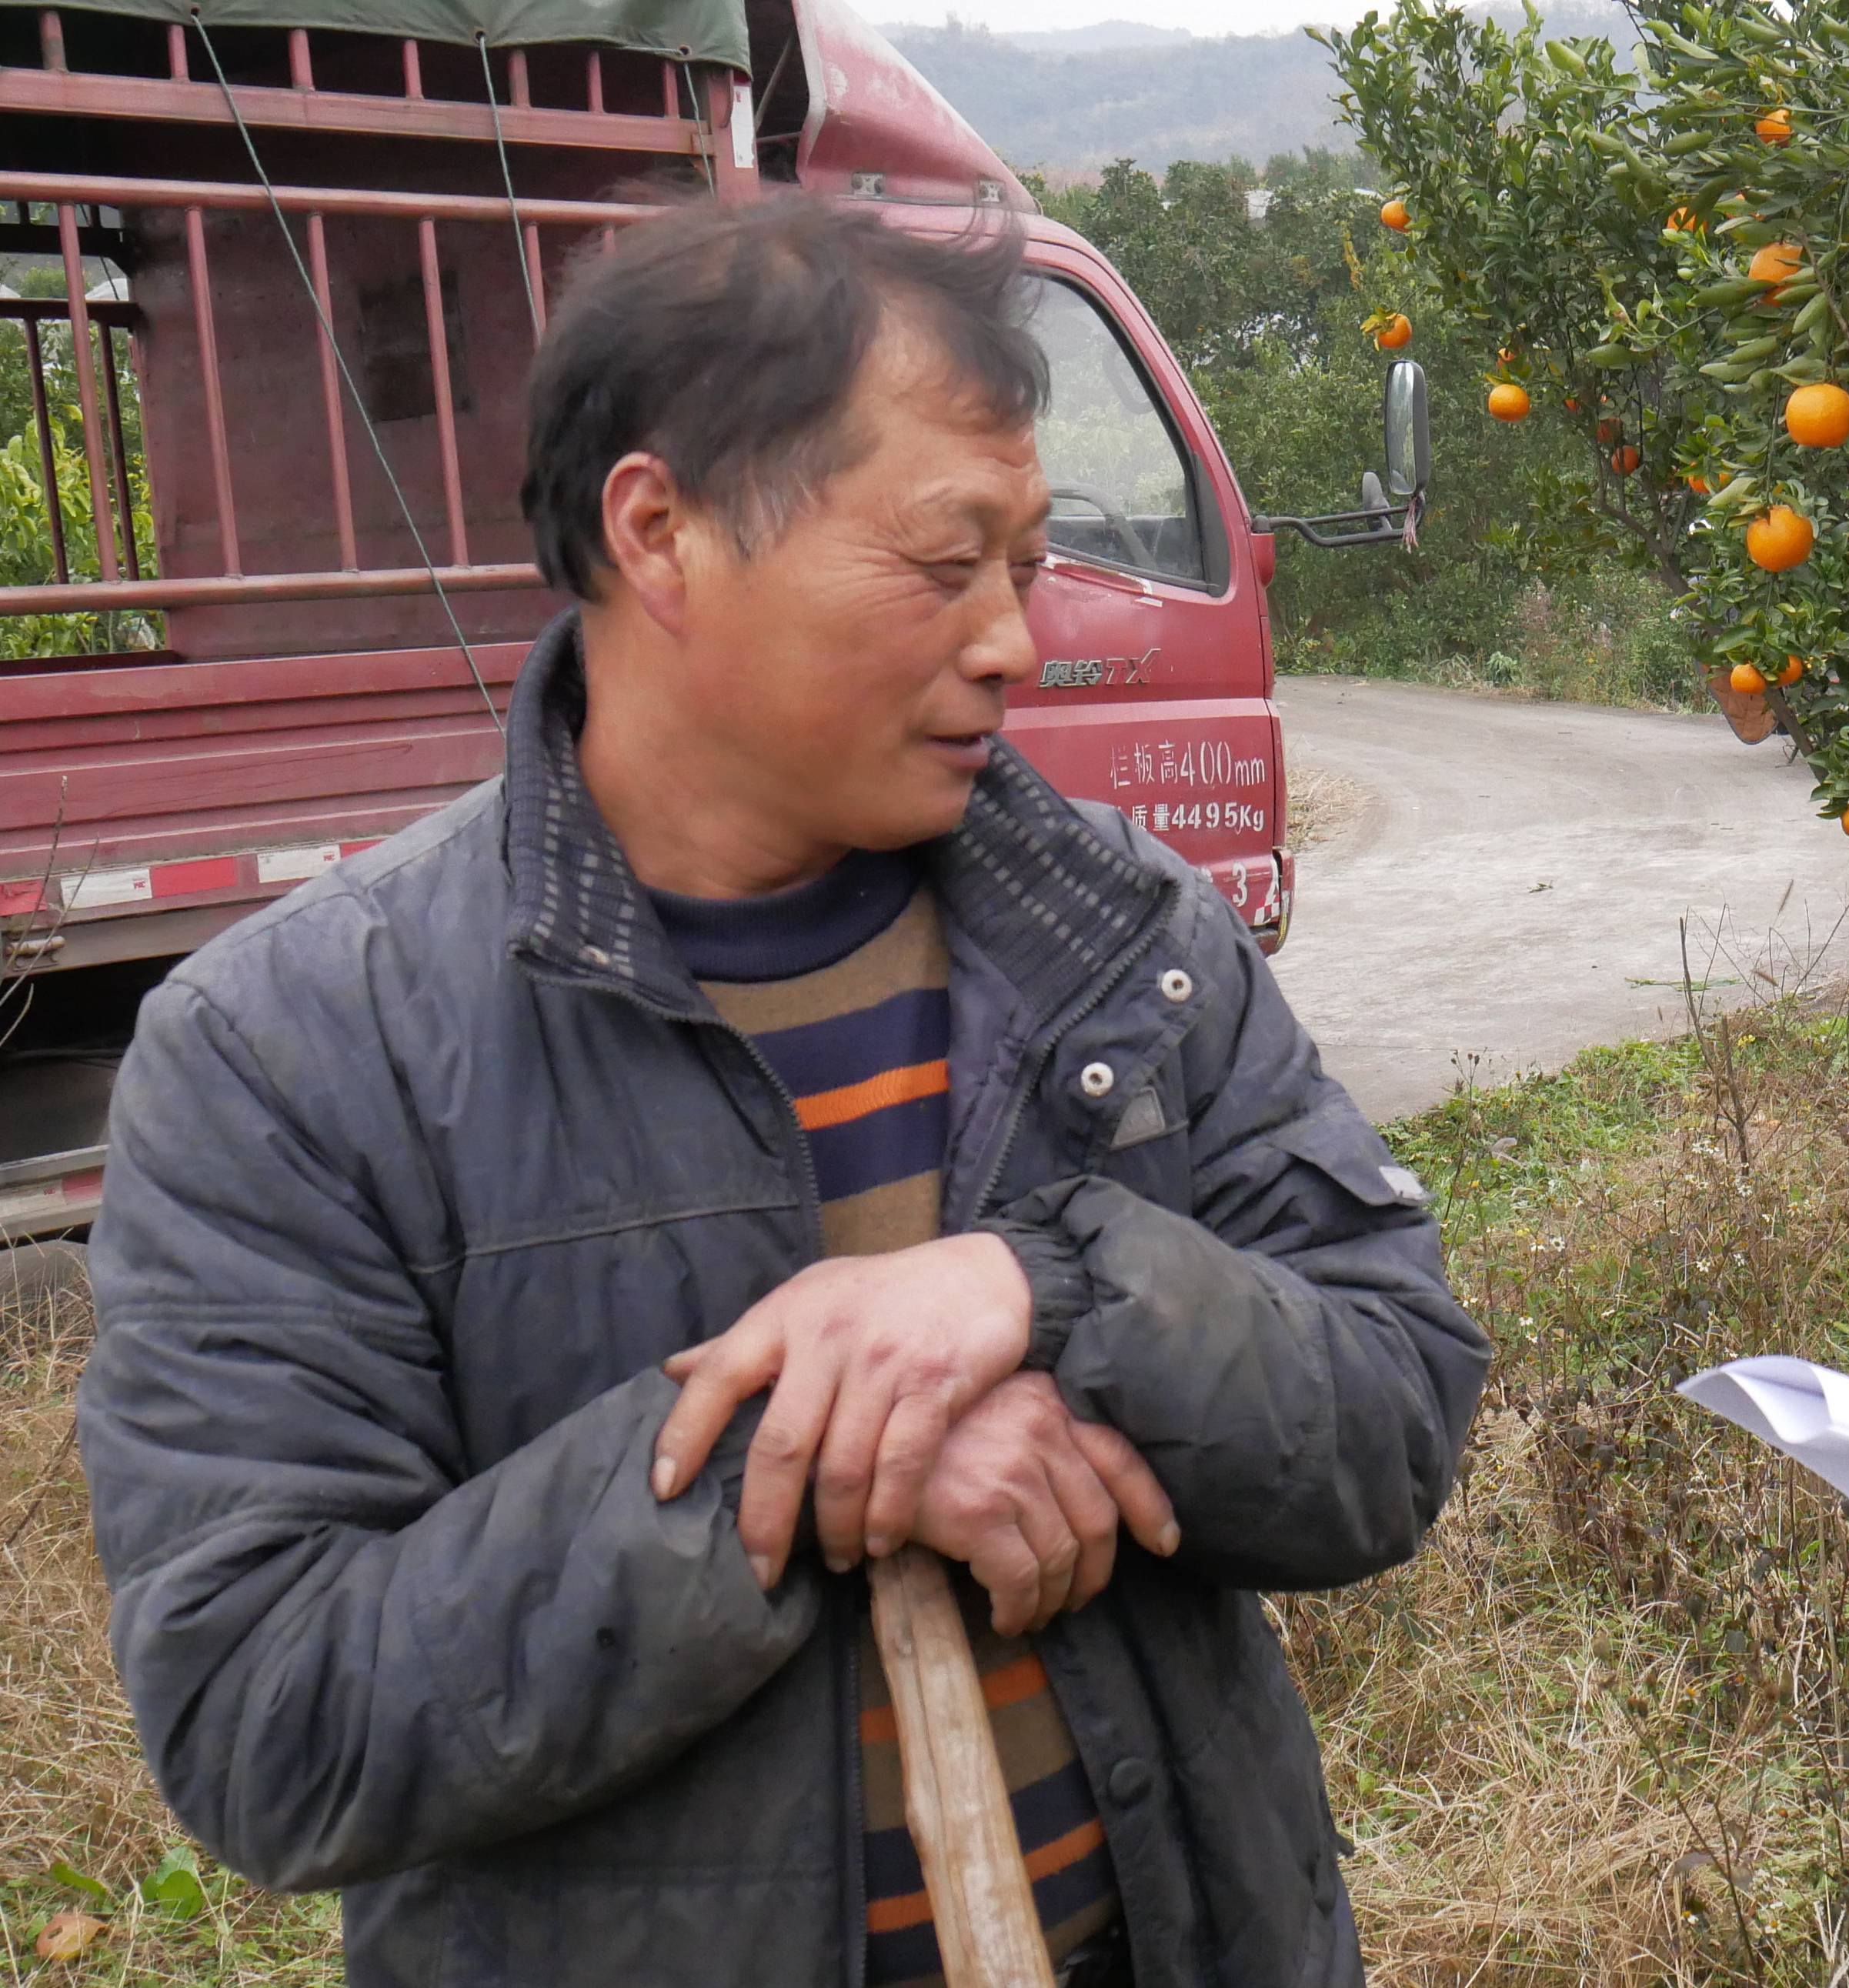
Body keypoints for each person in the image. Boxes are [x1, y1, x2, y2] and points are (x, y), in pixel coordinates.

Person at [75, 195, 1488, 1988]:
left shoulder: (1123, 934)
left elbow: (1393, 1407)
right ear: (659, 531)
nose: (1013, 643)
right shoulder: (302, 1048)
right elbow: (272, 1718)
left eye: (1026, 565)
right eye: (940, 562)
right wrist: (808, 1457)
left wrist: (1043, 1289)